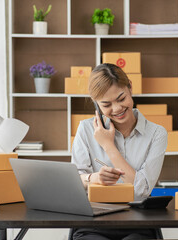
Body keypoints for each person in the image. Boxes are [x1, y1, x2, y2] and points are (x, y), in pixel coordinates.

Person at [71, 63, 168, 240]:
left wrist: (108, 146)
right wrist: (94, 178)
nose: (117, 109)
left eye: (121, 99)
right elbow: (74, 181)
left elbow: (140, 192)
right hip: (92, 223)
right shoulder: (85, 129)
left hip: (138, 223)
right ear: (96, 104)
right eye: (106, 104)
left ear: (130, 87)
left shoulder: (156, 134)